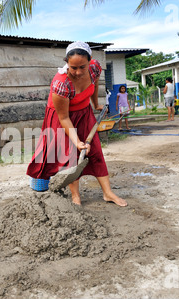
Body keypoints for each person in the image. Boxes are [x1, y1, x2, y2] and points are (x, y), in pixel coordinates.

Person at [26, 41, 127, 207]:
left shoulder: (94, 68)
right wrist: (77, 142)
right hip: (61, 118)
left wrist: (95, 105)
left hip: (84, 113)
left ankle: (108, 193)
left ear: (90, 61)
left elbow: (93, 86)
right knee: (70, 154)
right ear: (66, 62)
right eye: (73, 67)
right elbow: (64, 118)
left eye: (82, 67)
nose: (78, 72)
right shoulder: (61, 84)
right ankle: (75, 197)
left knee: (95, 151)